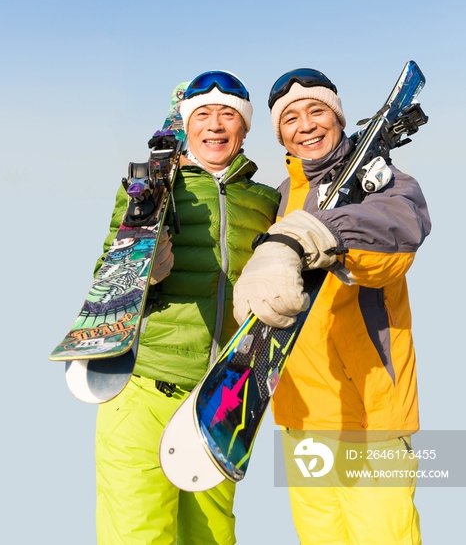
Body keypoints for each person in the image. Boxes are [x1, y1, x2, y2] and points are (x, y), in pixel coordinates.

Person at [233, 68, 431, 545]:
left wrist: (319, 235)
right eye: (291, 118)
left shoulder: (382, 183)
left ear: (338, 117)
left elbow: (399, 234)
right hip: (299, 413)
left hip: (367, 413)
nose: (307, 125)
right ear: (280, 133)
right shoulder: (281, 197)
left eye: (317, 111)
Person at [95, 71, 280, 545]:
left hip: (220, 400)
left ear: (244, 128)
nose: (215, 126)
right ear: (187, 124)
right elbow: (107, 272)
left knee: (211, 537)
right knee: (136, 535)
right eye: (203, 115)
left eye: (228, 116)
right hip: (142, 391)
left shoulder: (266, 202)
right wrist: (144, 271)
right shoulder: (150, 189)